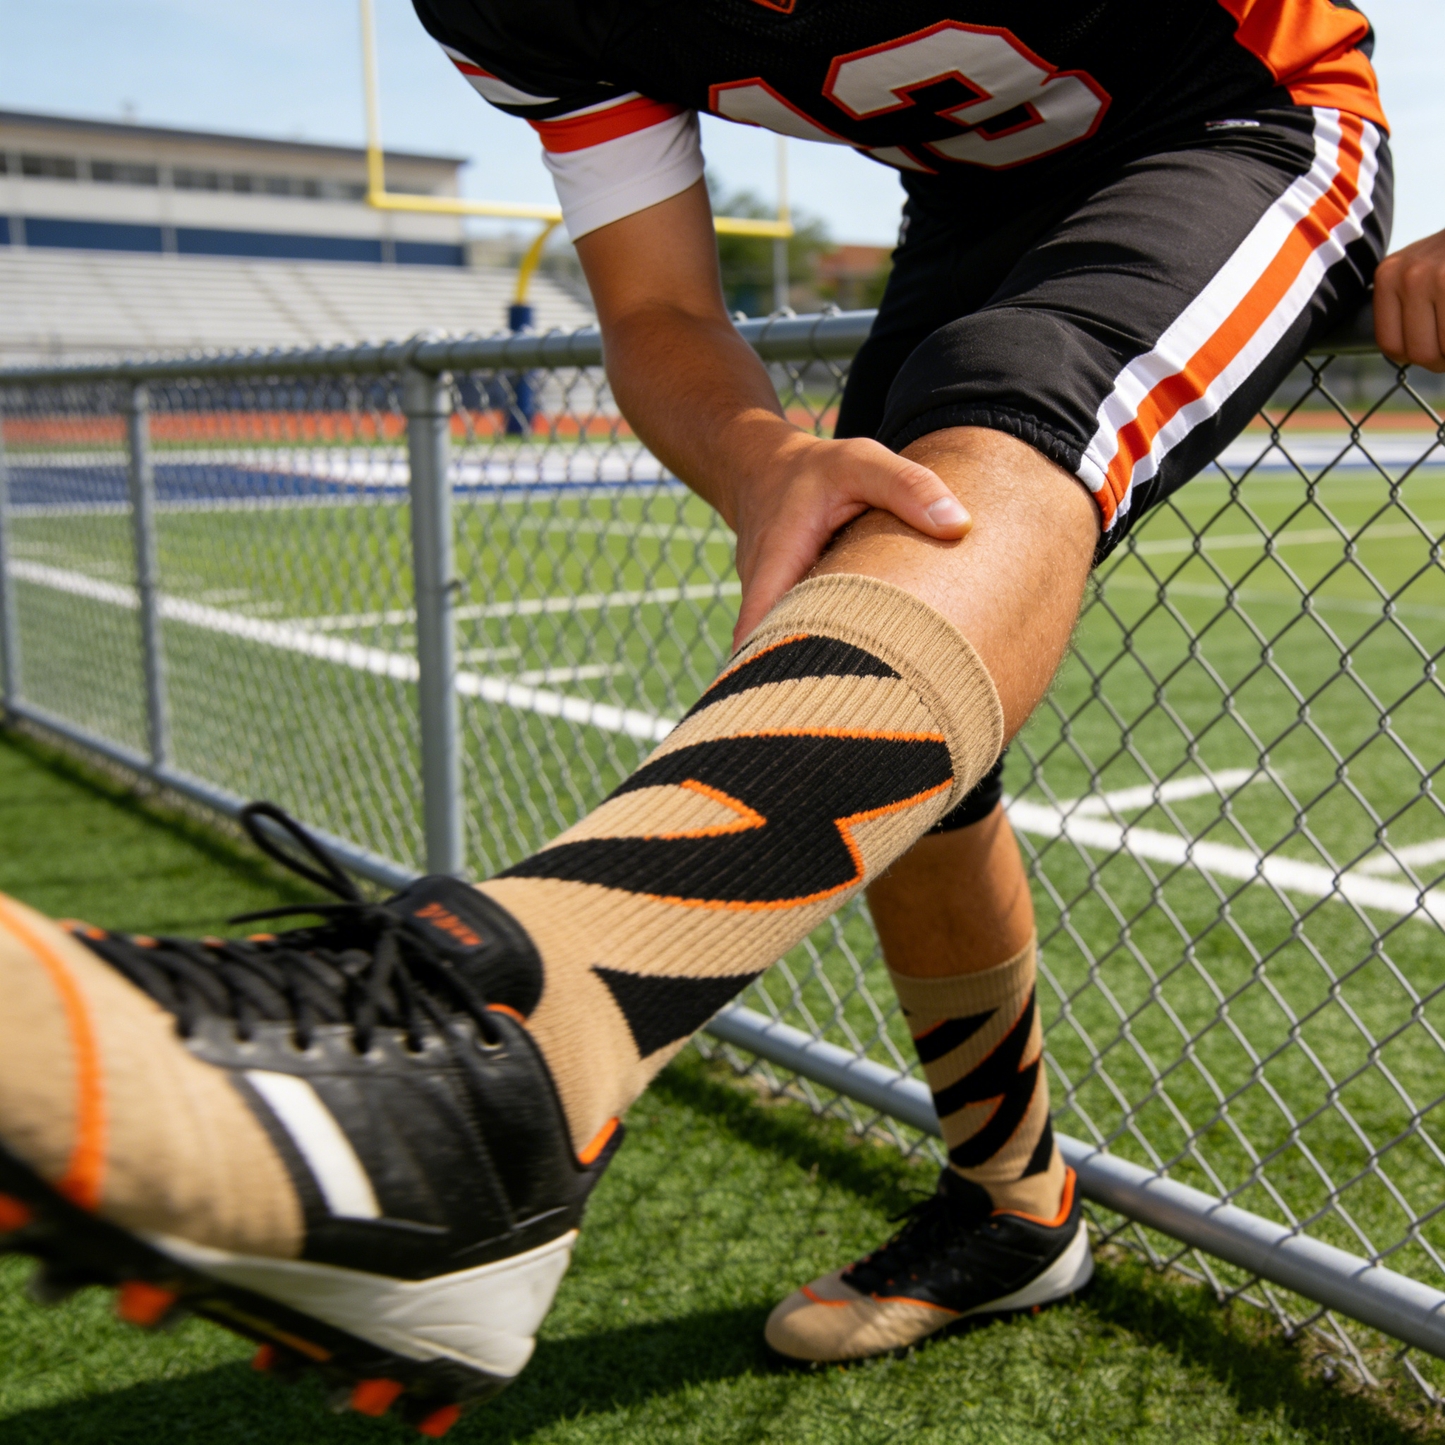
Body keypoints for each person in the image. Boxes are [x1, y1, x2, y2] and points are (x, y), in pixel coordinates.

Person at [2, 0, 1444, 1432]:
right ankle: (1015, 1207)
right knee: (923, 720)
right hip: (970, 208)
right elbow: (659, 311)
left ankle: (520, 1054)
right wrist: (759, 455)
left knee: (1006, 415)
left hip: (1239, 115)